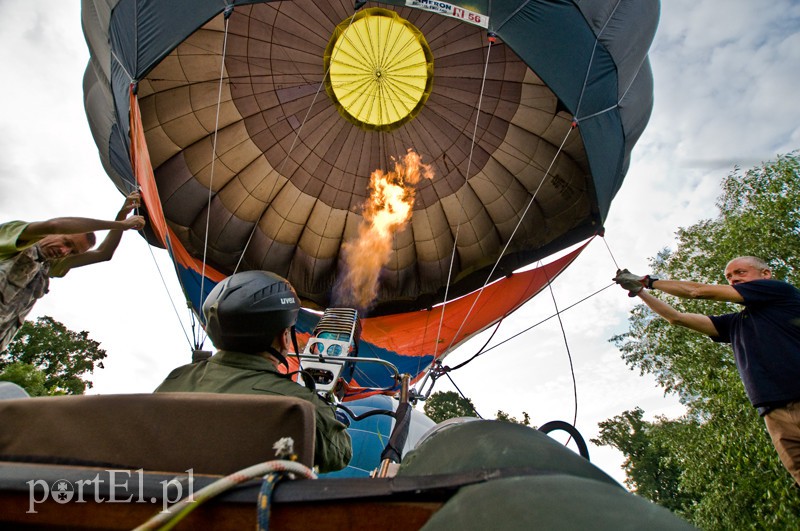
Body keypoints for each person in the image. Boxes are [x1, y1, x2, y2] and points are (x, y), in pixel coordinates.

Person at [614, 257, 800, 485]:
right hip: (773, 412)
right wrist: (640, 291)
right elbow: (677, 318)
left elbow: (697, 291)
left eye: (740, 272)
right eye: (729, 277)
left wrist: (647, 281)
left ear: (765, 274)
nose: (734, 279)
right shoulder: (736, 323)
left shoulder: (781, 292)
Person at [154, 270, 352, 473]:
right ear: (284, 337)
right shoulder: (298, 406)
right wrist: (328, 413)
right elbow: (340, 453)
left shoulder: (173, 382)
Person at [0, 192, 146, 352]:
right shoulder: (15, 235)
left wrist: (122, 214)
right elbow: (55, 225)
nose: (63, 251)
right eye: (66, 242)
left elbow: (103, 254)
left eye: (72, 252)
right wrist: (120, 225)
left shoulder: (50, 265)